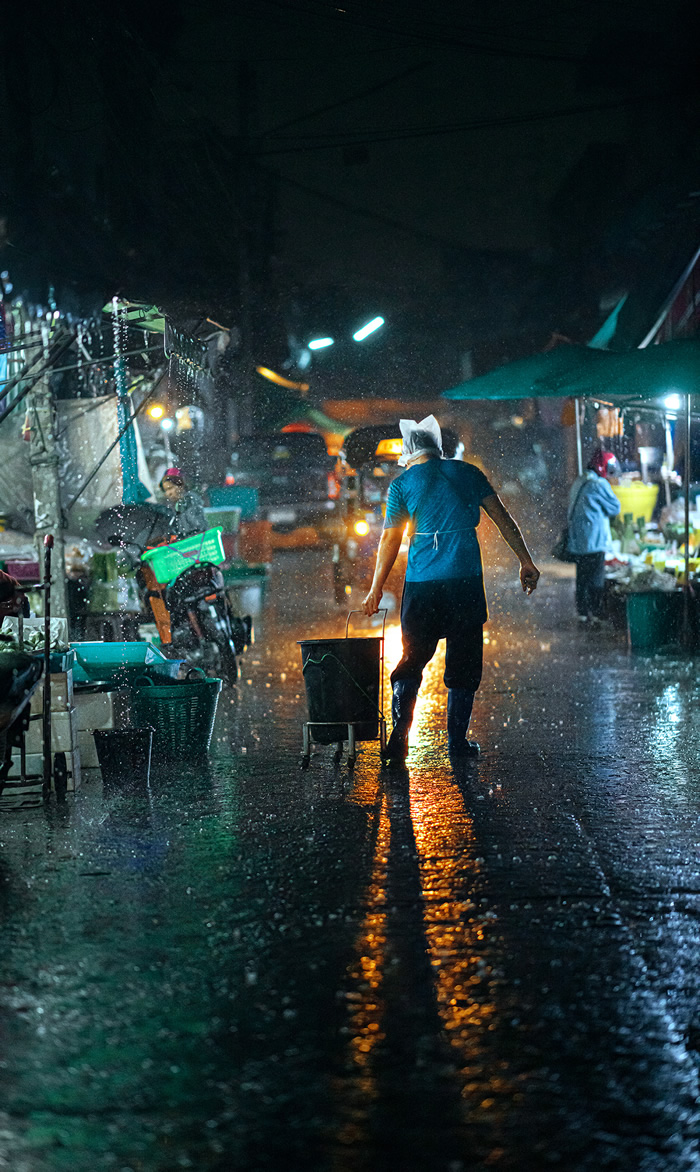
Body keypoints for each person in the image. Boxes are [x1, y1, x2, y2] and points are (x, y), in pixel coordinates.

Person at [362, 415, 540, 762]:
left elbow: (389, 539)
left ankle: (401, 733)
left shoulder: (402, 485)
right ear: (438, 448)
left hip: (422, 586)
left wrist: (375, 589)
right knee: (464, 663)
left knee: (412, 660)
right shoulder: (469, 473)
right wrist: (526, 561)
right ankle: (457, 743)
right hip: (464, 583)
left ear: (410, 452)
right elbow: (502, 517)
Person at [566, 450, 621, 623]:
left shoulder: (580, 480)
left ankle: (583, 612)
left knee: (582, 577)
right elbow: (615, 508)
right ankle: (596, 612)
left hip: (578, 540)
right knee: (596, 578)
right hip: (595, 540)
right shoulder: (598, 484)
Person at [160, 468, 207, 539]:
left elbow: (196, 528)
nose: (168, 493)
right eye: (165, 490)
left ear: (181, 486)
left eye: (170, 488)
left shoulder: (189, 500)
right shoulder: (173, 505)